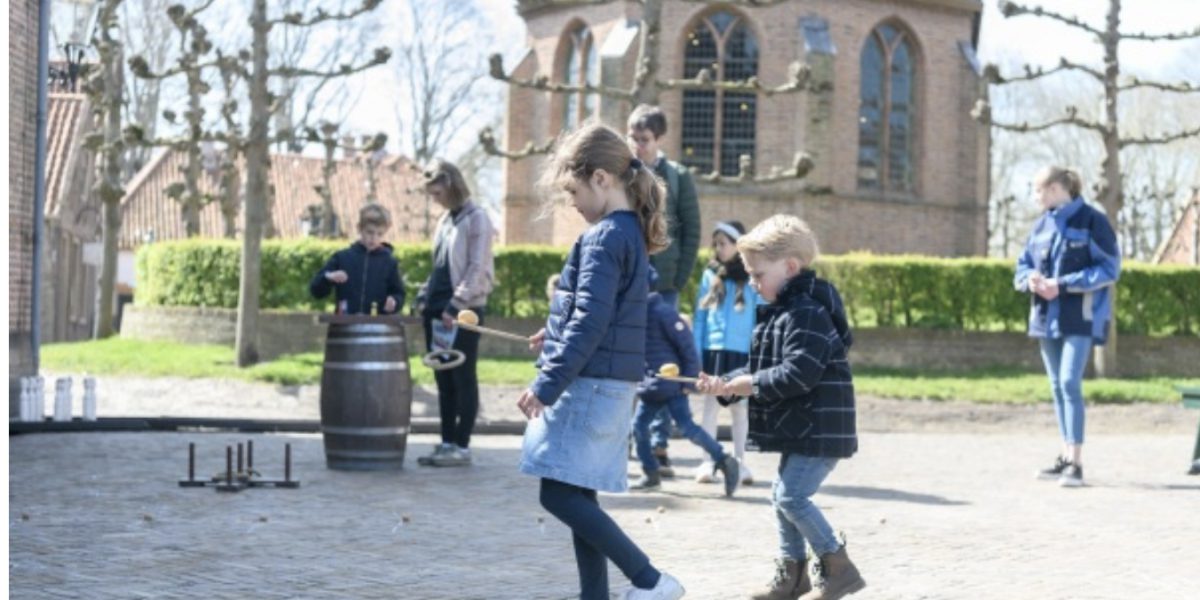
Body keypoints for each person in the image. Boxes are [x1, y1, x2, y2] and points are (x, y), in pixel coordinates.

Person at [517, 123, 685, 600]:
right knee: (578, 493)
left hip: (590, 385)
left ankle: (651, 581)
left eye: (573, 191)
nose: (572, 203)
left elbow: (591, 323)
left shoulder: (604, 238)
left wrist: (547, 384)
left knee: (558, 493)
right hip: (610, 382)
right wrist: (556, 331)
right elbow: (602, 315)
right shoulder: (627, 234)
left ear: (601, 179)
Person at [698, 215, 865, 600]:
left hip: (820, 427)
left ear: (790, 267)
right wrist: (726, 384)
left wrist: (751, 384)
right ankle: (793, 577)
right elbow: (762, 366)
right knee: (781, 496)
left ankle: (838, 568)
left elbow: (798, 373)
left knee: (791, 497)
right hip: (802, 425)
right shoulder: (784, 311)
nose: (754, 283)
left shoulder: (807, 312)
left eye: (758, 275)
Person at [1015, 166, 1120, 488]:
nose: (1035, 197)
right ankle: (1064, 458)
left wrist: (1062, 284)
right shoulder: (1041, 225)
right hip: (1045, 317)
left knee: (1069, 383)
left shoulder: (1093, 220)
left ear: (1057, 188)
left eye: (1039, 190)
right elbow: (1022, 266)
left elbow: (1109, 268)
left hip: (1080, 317)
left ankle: (1075, 464)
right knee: (1057, 387)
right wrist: (1030, 279)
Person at [627, 104, 701, 472]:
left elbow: (691, 228)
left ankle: (659, 445)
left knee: (663, 365)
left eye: (643, 139)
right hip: (630, 283)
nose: (637, 145)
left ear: (658, 139)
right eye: (632, 138)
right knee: (628, 357)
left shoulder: (678, 176)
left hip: (665, 284)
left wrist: (679, 276)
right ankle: (627, 436)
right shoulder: (623, 173)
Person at [413, 159, 495, 468]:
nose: (435, 200)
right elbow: (440, 267)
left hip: (463, 312)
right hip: (437, 312)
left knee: (463, 378)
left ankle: (462, 445)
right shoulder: (445, 220)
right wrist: (425, 296)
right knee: (443, 380)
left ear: (450, 184)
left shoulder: (477, 219)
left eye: (437, 193)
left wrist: (454, 306)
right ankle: (446, 442)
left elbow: (476, 267)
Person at [630, 266, 740, 497]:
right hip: (651, 386)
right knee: (638, 427)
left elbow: (687, 346)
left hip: (672, 385)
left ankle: (724, 459)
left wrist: (689, 382)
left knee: (687, 428)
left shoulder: (663, 312)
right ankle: (651, 474)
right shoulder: (634, 314)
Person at [692, 220, 762, 485]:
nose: (718, 248)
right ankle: (707, 462)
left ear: (738, 245)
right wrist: (696, 352)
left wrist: (757, 352)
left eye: (723, 243)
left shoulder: (752, 276)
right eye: (716, 244)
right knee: (710, 408)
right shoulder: (709, 274)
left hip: (741, 352)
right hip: (714, 350)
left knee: (740, 410)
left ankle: (741, 463)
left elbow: (759, 315)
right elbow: (701, 316)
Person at [309, 203, 405, 315]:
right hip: (346, 322)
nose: (374, 238)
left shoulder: (389, 262)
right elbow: (316, 291)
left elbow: (398, 293)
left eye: (380, 234)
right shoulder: (342, 258)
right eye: (370, 232)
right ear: (359, 229)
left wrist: (395, 301)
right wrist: (328, 278)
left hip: (377, 322)